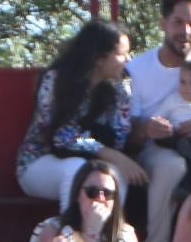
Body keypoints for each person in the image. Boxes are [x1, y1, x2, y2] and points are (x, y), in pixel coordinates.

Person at [123, 0, 191, 242]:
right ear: (163, 24)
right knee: (172, 165)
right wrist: (147, 129)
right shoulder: (136, 69)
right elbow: (126, 133)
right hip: (155, 151)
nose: (185, 31)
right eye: (178, 22)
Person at [15, 18, 142, 208]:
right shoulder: (56, 81)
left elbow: (119, 139)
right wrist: (112, 155)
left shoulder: (117, 88)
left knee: (112, 174)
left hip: (94, 163)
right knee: (78, 170)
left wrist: (124, 94)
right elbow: (59, 135)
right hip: (39, 162)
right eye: (122, 54)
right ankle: (70, 231)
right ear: (99, 58)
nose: (128, 60)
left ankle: (106, 234)